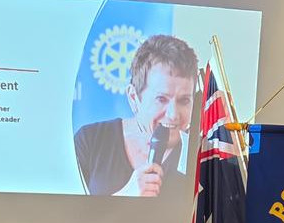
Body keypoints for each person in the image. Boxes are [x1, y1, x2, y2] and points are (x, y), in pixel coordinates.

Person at [74, 35, 197, 197]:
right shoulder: (90, 140)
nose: (173, 115)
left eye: (184, 100)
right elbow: (66, 216)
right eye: (161, 99)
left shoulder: (202, 156)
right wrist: (127, 196)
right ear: (133, 97)